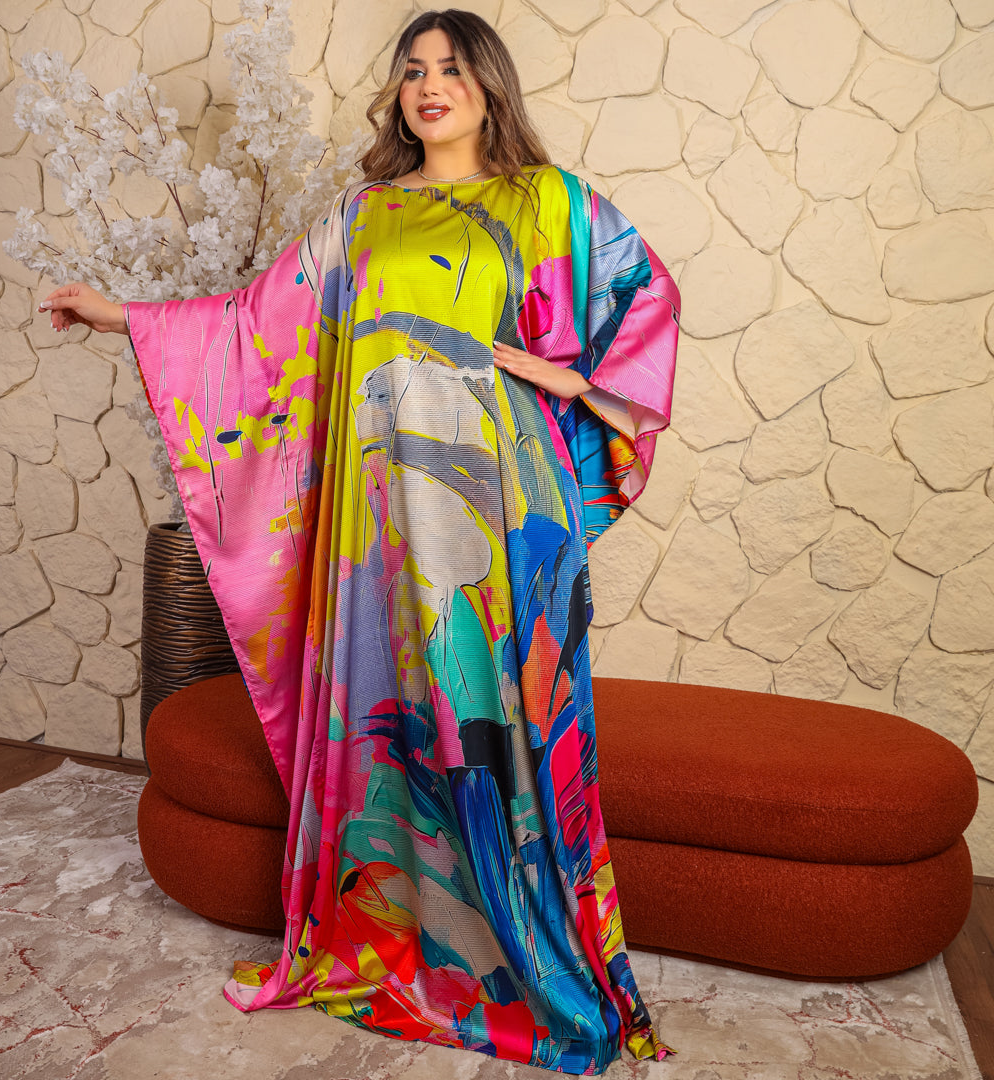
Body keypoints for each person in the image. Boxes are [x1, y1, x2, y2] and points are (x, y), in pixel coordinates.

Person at [40, 8, 679, 1073]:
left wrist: (566, 378)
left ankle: (521, 958)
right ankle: (388, 938)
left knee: (492, 714)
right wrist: (126, 317)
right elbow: (256, 325)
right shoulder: (362, 212)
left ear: (489, 85)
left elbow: (644, 298)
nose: (430, 85)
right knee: (384, 714)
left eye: (452, 68)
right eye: (413, 69)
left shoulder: (546, 200)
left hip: (492, 510)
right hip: (372, 520)